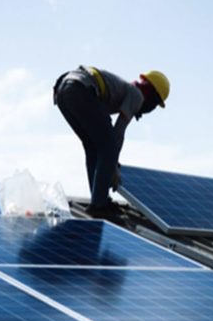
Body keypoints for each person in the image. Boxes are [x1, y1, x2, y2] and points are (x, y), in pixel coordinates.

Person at [53, 65, 170, 219]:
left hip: (63, 90)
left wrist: (111, 162)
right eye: (155, 104)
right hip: (80, 89)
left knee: (93, 147)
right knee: (106, 148)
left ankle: (98, 200)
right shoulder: (137, 95)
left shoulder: (123, 90)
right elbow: (118, 133)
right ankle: (99, 205)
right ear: (152, 96)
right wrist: (113, 166)